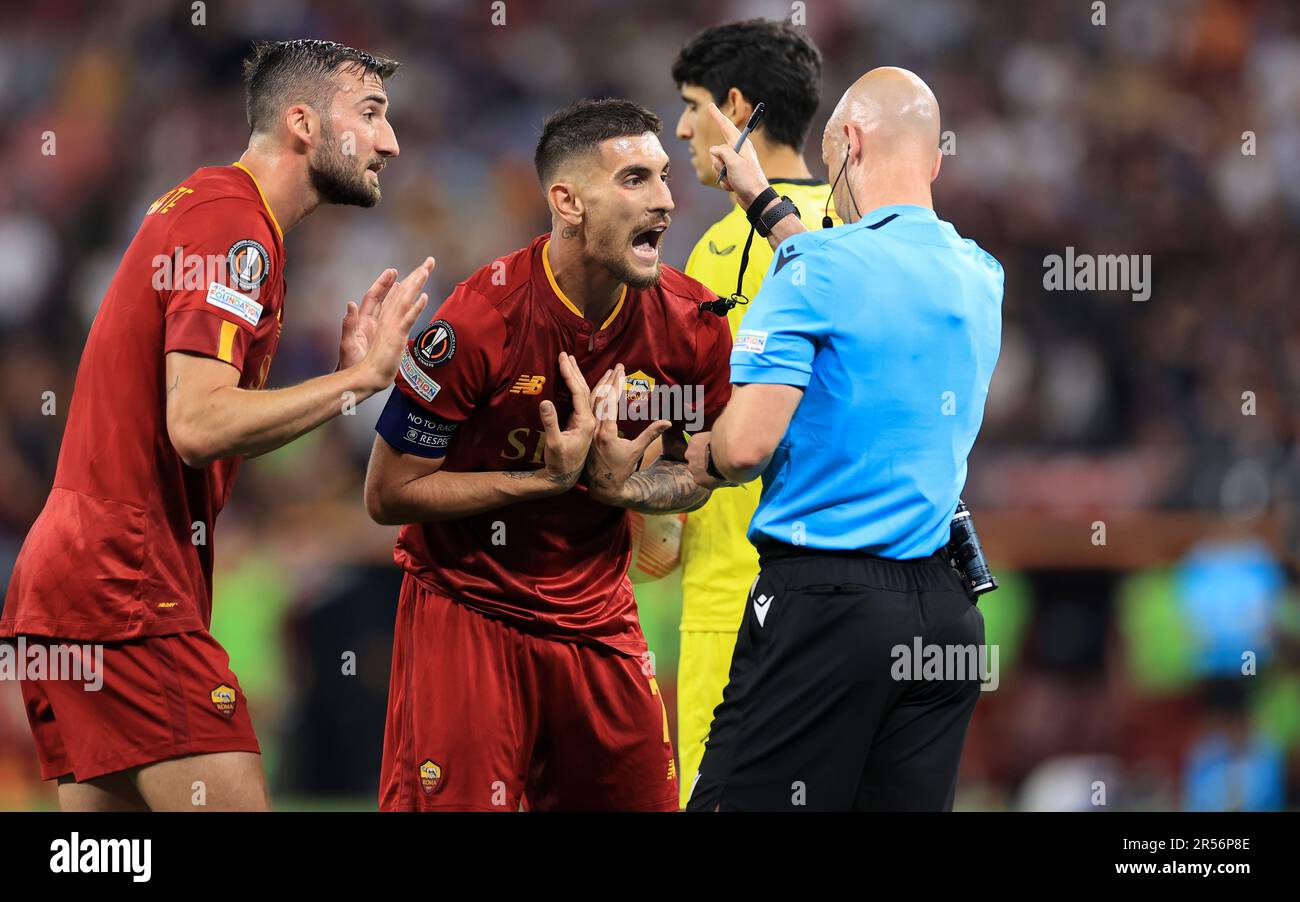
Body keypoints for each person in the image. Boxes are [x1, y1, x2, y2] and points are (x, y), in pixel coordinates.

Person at [0, 39, 432, 811]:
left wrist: (334, 385)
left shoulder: (208, 207)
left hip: (73, 582)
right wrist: (357, 382)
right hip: (123, 585)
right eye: (369, 115)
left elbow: (200, 430)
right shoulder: (235, 228)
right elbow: (196, 423)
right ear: (302, 123)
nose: (390, 141)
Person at [364, 99, 734, 811]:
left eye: (661, 177)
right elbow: (387, 495)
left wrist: (630, 490)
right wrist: (541, 480)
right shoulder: (477, 323)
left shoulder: (692, 326)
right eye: (634, 180)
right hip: (468, 608)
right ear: (567, 201)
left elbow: (706, 466)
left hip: (599, 619)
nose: (664, 198)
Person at [684, 68, 1003, 811]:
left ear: (849, 142)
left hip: (824, 610)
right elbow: (865, 281)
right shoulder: (980, 276)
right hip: (944, 617)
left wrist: (674, 450)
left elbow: (742, 450)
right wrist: (766, 205)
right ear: (933, 159)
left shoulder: (817, 271)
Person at [659, 18, 837, 807]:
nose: (683, 128)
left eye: (693, 105)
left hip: (738, 589)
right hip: (856, 589)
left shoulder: (723, 247)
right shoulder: (864, 224)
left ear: (738, 106)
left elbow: (701, 415)